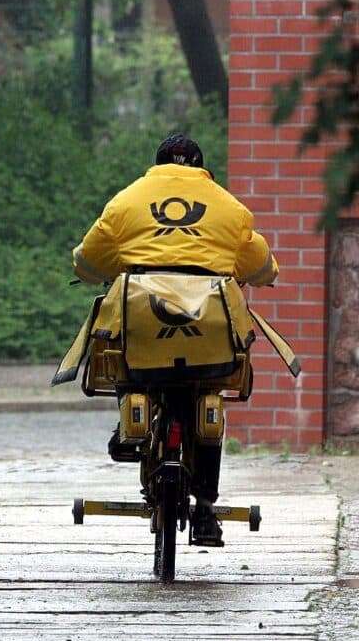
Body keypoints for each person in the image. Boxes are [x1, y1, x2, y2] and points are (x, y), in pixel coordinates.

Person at [71, 134, 279, 547]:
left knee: (124, 351)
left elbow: (90, 259)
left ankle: (129, 427)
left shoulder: (126, 203)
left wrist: (92, 270)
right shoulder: (229, 208)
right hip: (209, 331)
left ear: (157, 166)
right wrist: (266, 273)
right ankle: (204, 511)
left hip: (144, 321)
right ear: (203, 168)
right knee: (209, 399)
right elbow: (257, 263)